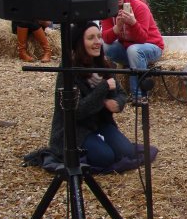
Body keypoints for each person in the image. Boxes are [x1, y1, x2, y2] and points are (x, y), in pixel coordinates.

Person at [48, 22, 139, 172]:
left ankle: (100, 141)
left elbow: (121, 94)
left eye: (99, 37)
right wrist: (103, 88)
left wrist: (117, 103)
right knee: (105, 157)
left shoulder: (102, 64)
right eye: (91, 38)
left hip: (99, 123)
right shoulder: (68, 70)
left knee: (127, 152)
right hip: (75, 129)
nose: (98, 42)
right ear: (79, 43)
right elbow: (75, 112)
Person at [101, 0, 164, 100]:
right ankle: (112, 86)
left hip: (152, 46)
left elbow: (142, 38)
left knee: (134, 50)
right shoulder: (108, 10)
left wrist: (133, 23)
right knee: (105, 46)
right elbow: (106, 39)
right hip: (128, 48)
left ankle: (139, 95)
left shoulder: (140, 7)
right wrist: (117, 27)